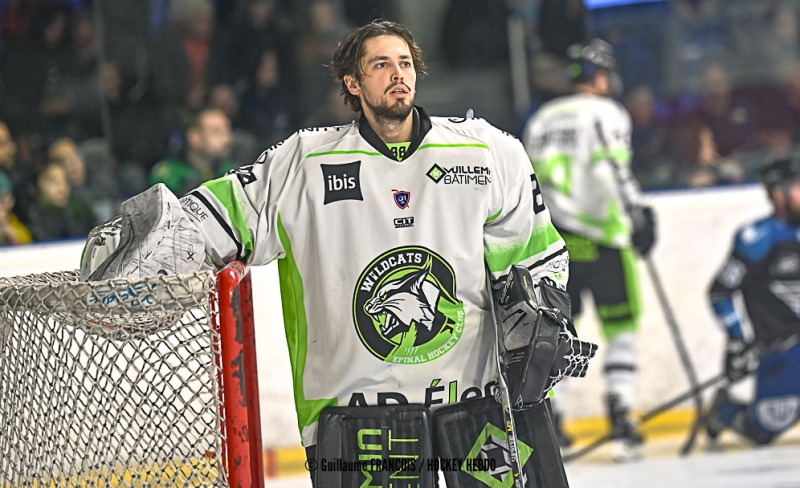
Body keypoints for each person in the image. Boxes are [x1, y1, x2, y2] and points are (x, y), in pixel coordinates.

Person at [81, 21, 596, 487]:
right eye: (380, 64)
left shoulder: (486, 150)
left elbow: (536, 251)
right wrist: (141, 253)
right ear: (353, 83)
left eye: (405, 63)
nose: (398, 74)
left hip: (475, 401)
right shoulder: (303, 161)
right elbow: (211, 224)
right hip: (357, 416)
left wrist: (541, 314)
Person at [521, 38, 655, 462]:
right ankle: (619, 411)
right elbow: (613, 170)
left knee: (557, 333)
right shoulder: (608, 112)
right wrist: (637, 214)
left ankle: (553, 419)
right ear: (600, 76)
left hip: (555, 244)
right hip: (604, 238)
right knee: (622, 327)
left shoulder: (541, 119)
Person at [706, 157, 800, 446]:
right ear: (777, 193)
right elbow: (720, 291)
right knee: (764, 426)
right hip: (782, 348)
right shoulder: (757, 238)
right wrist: (738, 341)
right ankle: (725, 411)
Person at [150, 108, 239, 197]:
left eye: (227, 132)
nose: (227, 139)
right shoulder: (169, 173)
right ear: (195, 137)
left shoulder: (231, 170)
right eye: (216, 132)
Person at [0, 170, 32, 245]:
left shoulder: (13, 222)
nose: (6, 205)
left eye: (9, 199)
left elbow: (28, 246)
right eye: (1, 201)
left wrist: (13, 238)